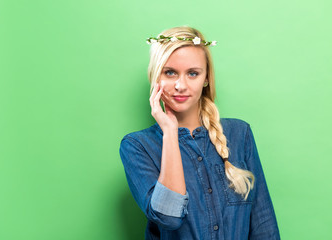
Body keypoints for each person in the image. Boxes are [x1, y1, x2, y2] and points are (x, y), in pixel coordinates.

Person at [119, 26, 280, 239]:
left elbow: (264, 226)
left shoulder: (240, 134)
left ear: (205, 79)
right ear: (156, 77)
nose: (180, 85)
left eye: (192, 73)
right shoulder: (137, 146)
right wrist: (169, 132)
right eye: (170, 72)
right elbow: (169, 218)